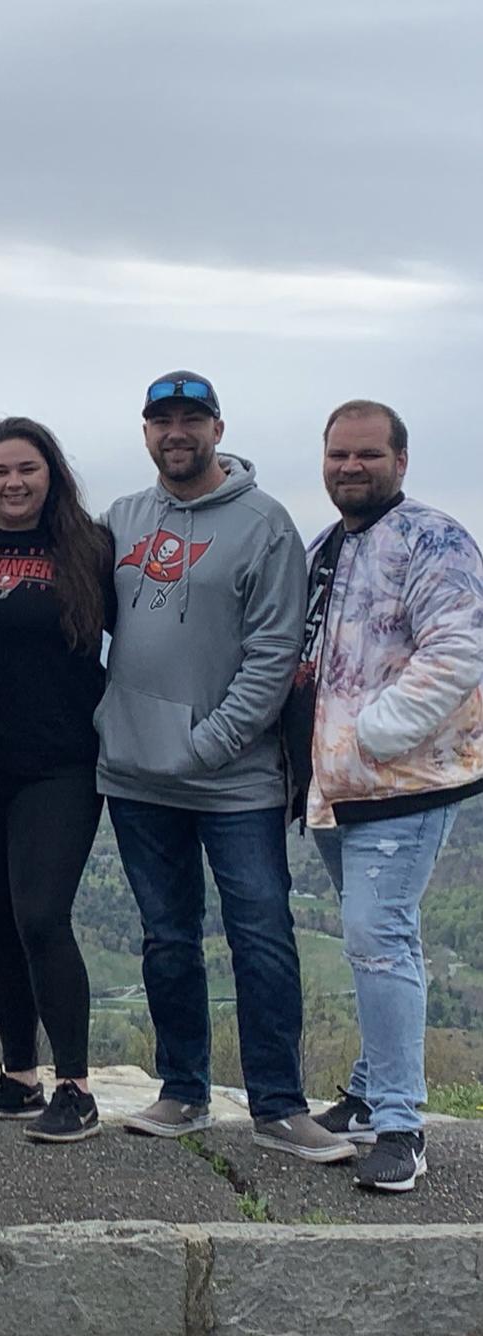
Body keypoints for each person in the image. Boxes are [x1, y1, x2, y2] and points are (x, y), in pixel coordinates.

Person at [100, 371, 353, 1162]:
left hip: (232, 778)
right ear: (145, 432)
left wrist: (202, 745)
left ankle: (279, 1105)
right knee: (166, 938)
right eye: (160, 420)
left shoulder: (264, 525)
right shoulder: (120, 519)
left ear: (216, 428)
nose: (175, 433)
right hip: (136, 776)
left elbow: (273, 657)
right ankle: (182, 1092)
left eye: (190, 419)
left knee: (262, 936)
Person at [285, 400, 483, 1191]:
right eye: (337, 455)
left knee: (378, 937)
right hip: (334, 790)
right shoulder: (325, 546)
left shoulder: (432, 539)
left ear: (399, 460)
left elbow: (457, 648)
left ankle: (400, 1125)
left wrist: (370, 733)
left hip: (403, 782)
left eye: (366, 455)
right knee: (373, 937)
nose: (349, 467)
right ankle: (370, 1093)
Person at [0, 418, 111, 1143]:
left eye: (26, 469)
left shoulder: (91, 551)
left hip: (60, 765)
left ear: (52, 475)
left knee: (41, 916)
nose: (12, 483)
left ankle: (73, 1086)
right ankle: (16, 1077)